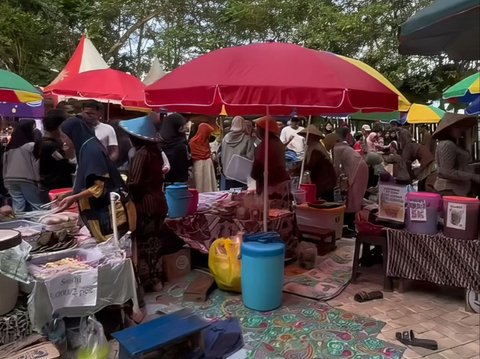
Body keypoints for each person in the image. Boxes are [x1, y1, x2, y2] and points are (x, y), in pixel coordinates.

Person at [56, 117, 136, 242]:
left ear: (73, 134)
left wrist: (73, 198)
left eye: (64, 137)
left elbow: (99, 187)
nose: (63, 141)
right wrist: (70, 194)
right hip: (100, 208)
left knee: (112, 246)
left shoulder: (91, 151)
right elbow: (90, 182)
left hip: (108, 211)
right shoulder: (85, 147)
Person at [119, 116, 169, 292]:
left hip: (145, 206)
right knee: (155, 244)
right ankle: (157, 280)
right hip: (159, 202)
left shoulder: (141, 154)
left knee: (143, 244)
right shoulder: (155, 152)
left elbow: (135, 183)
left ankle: (144, 281)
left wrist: (124, 185)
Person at [324, 128, 369, 231]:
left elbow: (336, 167)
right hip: (359, 166)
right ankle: (353, 223)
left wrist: (334, 181)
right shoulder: (342, 146)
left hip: (357, 168)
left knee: (353, 196)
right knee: (353, 195)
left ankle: (352, 224)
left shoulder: (336, 148)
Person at [432, 113, 480, 196]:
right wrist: (473, 176)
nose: (461, 130)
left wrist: (475, 166)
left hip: (456, 190)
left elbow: (460, 166)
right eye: (458, 127)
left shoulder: (452, 144)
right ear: (449, 128)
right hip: (450, 190)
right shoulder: (447, 144)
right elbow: (447, 172)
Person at [3, 120, 44, 212]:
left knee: (18, 205)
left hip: (9, 179)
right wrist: (38, 180)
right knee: (36, 205)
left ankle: (18, 224)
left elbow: (4, 165)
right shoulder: (30, 146)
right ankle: (40, 224)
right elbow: (35, 164)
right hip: (27, 179)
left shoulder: (9, 148)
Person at [251, 116, 290, 209]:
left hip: (270, 188)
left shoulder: (265, 145)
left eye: (257, 127)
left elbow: (257, 170)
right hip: (281, 185)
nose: (256, 130)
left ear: (263, 130)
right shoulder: (277, 142)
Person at [38, 110, 76, 198]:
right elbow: (64, 164)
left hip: (47, 186)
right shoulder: (51, 146)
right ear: (59, 127)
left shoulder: (42, 142)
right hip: (56, 188)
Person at [299, 125, 336, 201]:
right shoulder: (313, 147)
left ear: (312, 137)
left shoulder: (316, 149)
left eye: (307, 136)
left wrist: (295, 170)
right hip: (324, 183)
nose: (306, 139)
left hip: (325, 184)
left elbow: (310, 165)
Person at [219, 116, 255, 190]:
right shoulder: (247, 139)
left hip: (227, 173)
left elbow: (219, 155)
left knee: (228, 196)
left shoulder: (225, 138)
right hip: (241, 176)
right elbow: (250, 157)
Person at [159, 113, 191, 184]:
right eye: (181, 127)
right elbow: (183, 170)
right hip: (177, 187)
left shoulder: (158, 142)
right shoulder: (180, 145)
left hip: (160, 185)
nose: (184, 129)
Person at [189, 123, 217, 192]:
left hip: (202, 165)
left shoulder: (204, 142)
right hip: (199, 166)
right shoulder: (192, 143)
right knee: (200, 185)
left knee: (206, 184)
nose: (209, 135)